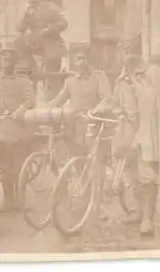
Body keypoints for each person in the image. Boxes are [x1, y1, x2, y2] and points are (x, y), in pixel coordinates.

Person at [113, 35, 160, 237]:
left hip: (148, 134)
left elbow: (158, 109)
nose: (126, 58)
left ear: (138, 53)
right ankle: (139, 213)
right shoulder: (124, 76)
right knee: (131, 176)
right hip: (127, 132)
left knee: (147, 176)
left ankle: (147, 220)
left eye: (129, 53)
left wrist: (141, 136)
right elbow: (118, 102)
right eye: (123, 53)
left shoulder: (153, 73)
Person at [46, 47, 113, 220]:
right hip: (75, 131)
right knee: (79, 167)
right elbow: (59, 99)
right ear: (73, 62)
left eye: (84, 58)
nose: (81, 62)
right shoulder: (70, 81)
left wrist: (98, 110)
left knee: (96, 170)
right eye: (78, 59)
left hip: (96, 129)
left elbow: (107, 98)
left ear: (89, 60)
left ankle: (98, 208)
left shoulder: (99, 77)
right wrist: (45, 109)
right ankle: (85, 203)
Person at [0, 48, 36, 213]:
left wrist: (22, 108)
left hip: (19, 130)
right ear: (0, 62)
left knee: (20, 167)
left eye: (10, 60)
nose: (7, 63)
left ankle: (20, 200)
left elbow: (31, 100)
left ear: (15, 63)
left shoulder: (23, 81)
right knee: (4, 168)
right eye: (4, 60)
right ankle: (8, 200)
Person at [16, 0, 68, 100]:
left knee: (51, 73)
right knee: (28, 67)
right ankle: (31, 97)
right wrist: (25, 14)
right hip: (35, 44)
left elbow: (64, 23)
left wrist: (48, 30)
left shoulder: (50, 7)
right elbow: (20, 29)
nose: (32, 0)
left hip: (51, 42)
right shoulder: (27, 11)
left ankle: (53, 99)